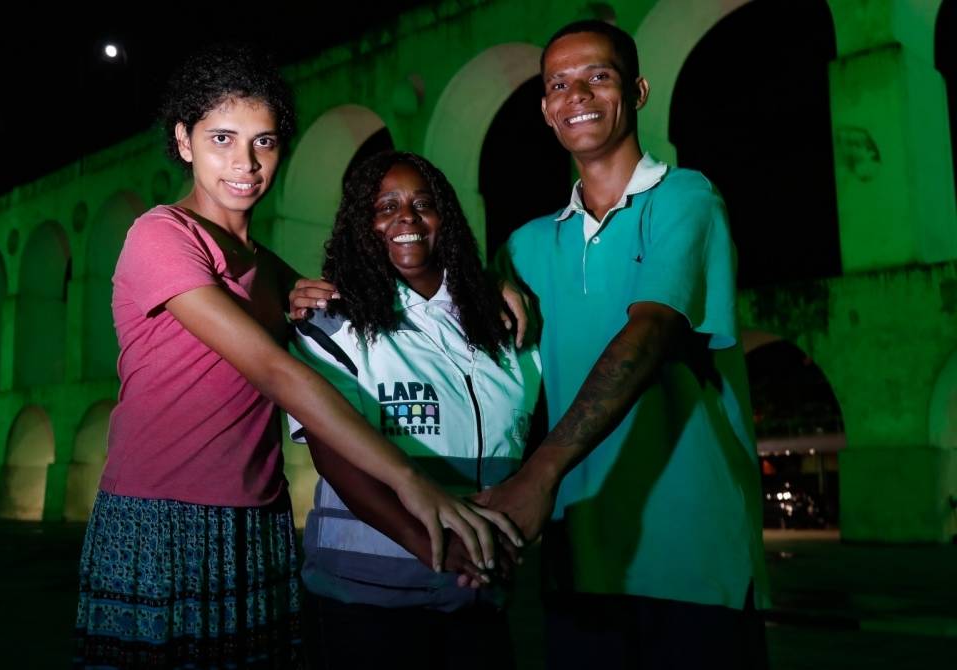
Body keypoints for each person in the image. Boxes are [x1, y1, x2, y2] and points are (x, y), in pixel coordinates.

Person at [74, 44, 518, 669]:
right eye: (222, 138)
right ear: (183, 140)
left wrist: (495, 279)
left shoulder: (270, 267)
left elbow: (382, 284)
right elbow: (277, 371)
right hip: (162, 514)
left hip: (258, 516)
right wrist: (411, 481)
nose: (245, 162)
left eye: (264, 142)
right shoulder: (161, 235)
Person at [473, 20, 771, 669]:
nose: (576, 93)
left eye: (597, 76)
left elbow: (650, 330)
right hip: (581, 563)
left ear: (636, 91)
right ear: (547, 110)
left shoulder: (686, 198)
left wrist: (539, 473)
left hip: (694, 565)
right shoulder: (525, 246)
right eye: (558, 83)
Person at [289, 152, 541, 669]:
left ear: (445, 217)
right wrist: (436, 549)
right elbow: (334, 456)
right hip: (363, 606)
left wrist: (495, 545)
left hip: (478, 596)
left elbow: (524, 444)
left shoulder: (502, 323)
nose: (407, 217)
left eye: (422, 203)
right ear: (363, 224)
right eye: (385, 207)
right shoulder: (330, 322)